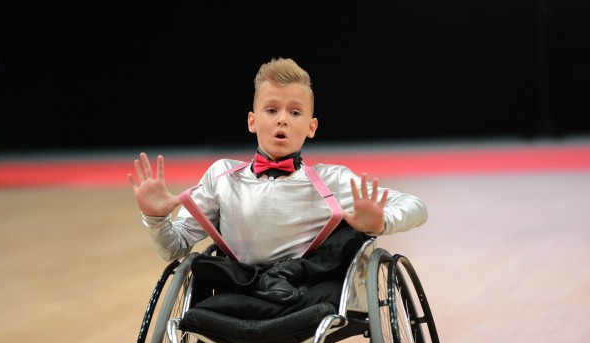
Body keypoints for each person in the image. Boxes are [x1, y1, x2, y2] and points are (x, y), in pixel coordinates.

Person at [128, 57, 428, 271]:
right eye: (271, 110)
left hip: (308, 292)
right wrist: (155, 218)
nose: (282, 119)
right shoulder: (221, 176)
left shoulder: (332, 180)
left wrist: (382, 222)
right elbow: (174, 248)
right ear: (252, 121)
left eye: (295, 113)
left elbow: (417, 207)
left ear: (311, 127)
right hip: (237, 291)